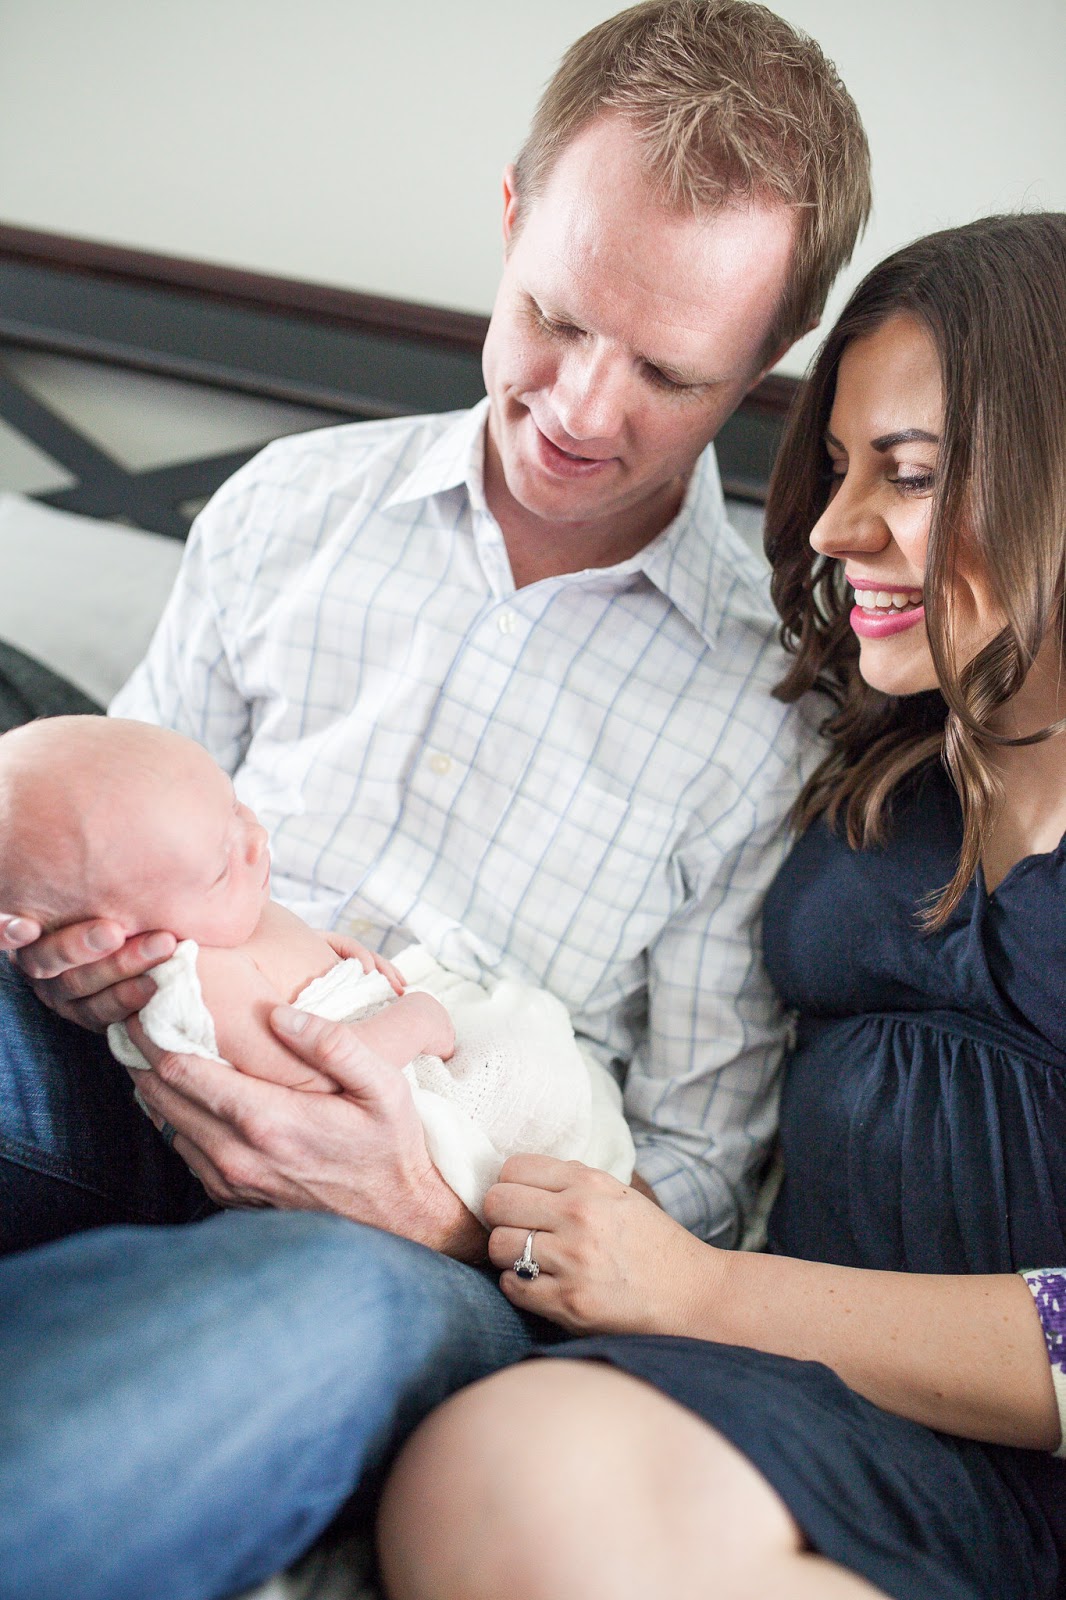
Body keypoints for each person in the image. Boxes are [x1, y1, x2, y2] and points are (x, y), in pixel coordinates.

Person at [0, 5, 870, 1597]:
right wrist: (70, 949)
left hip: (407, 1255)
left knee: (282, 1327)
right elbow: (89, 816)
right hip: (123, 1082)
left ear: (762, 371)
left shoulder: (773, 720)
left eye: (671, 374)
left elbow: (690, 1182)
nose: (583, 410)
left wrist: (439, 1211)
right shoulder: (284, 514)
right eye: (553, 317)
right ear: (510, 216)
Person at [374, 213, 1066, 1600]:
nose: (830, 527)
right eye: (834, 468)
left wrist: (691, 1289)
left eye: (910, 474)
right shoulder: (862, 753)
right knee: (514, 1480)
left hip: (981, 1437)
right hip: (823, 1411)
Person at [0, 715, 634, 1218]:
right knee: (530, 1075)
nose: (255, 840)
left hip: (402, 1186)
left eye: (238, 807)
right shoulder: (199, 981)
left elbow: (278, 954)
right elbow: (311, 1085)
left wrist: (330, 950)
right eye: (222, 864)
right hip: (342, 1132)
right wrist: (417, 1021)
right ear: (115, 937)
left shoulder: (201, 902)